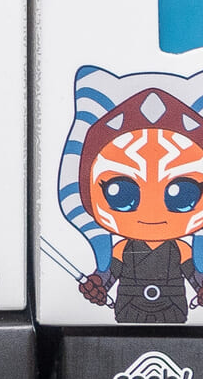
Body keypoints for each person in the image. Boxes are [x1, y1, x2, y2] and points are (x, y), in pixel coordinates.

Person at [61, 66, 203, 323]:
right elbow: (106, 277)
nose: (151, 213)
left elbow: (196, 277)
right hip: (129, 307)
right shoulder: (122, 249)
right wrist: (96, 287)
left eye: (184, 195)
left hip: (173, 308)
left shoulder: (182, 249)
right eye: (120, 193)